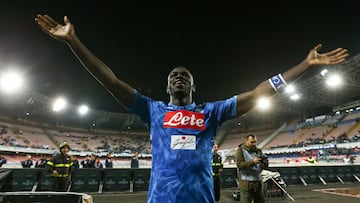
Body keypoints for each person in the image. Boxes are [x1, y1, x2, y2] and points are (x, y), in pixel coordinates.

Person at [34, 14, 348, 203]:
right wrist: (74, 42)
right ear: (167, 86)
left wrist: (304, 65)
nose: (179, 78)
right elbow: (111, 82)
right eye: (173, 76)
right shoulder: (152, 110)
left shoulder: (210, 112)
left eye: (185, 76)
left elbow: (258, 92)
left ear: (192, 86)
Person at [235, 133, 268, 203]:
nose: (254, 144)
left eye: (255, 142)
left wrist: (264, 163)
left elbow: (264, 165)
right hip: (246, 183)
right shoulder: (240, 151)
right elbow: (240, 165)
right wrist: (253, 162)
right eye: (252, 142)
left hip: (258, 182)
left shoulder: (258, 150)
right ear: (246, 141)